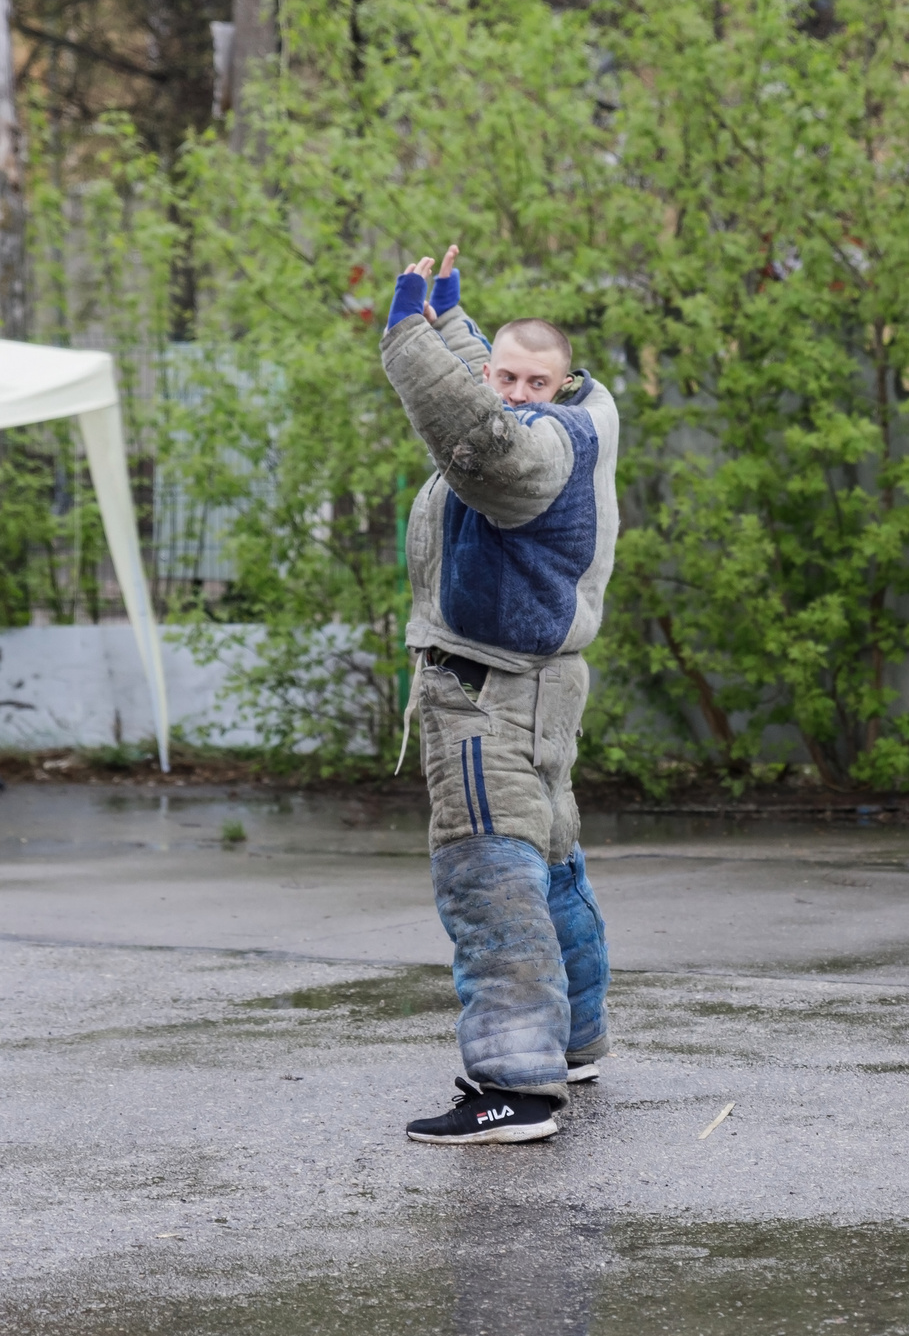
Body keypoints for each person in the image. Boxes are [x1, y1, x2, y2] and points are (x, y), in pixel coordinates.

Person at [381, 243, 618, 1145]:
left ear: (563, 385)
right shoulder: (586, 417)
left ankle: (512, 1085)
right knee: (552, 862)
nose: (515, 390)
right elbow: (487, 384)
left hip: (488, 692)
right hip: (541, 686)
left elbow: (480, 444)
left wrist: (407, 337)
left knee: (491, 873)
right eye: (505, 373)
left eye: (534, 379)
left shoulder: (540, 452)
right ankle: (575, 1039)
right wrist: (446, 315)